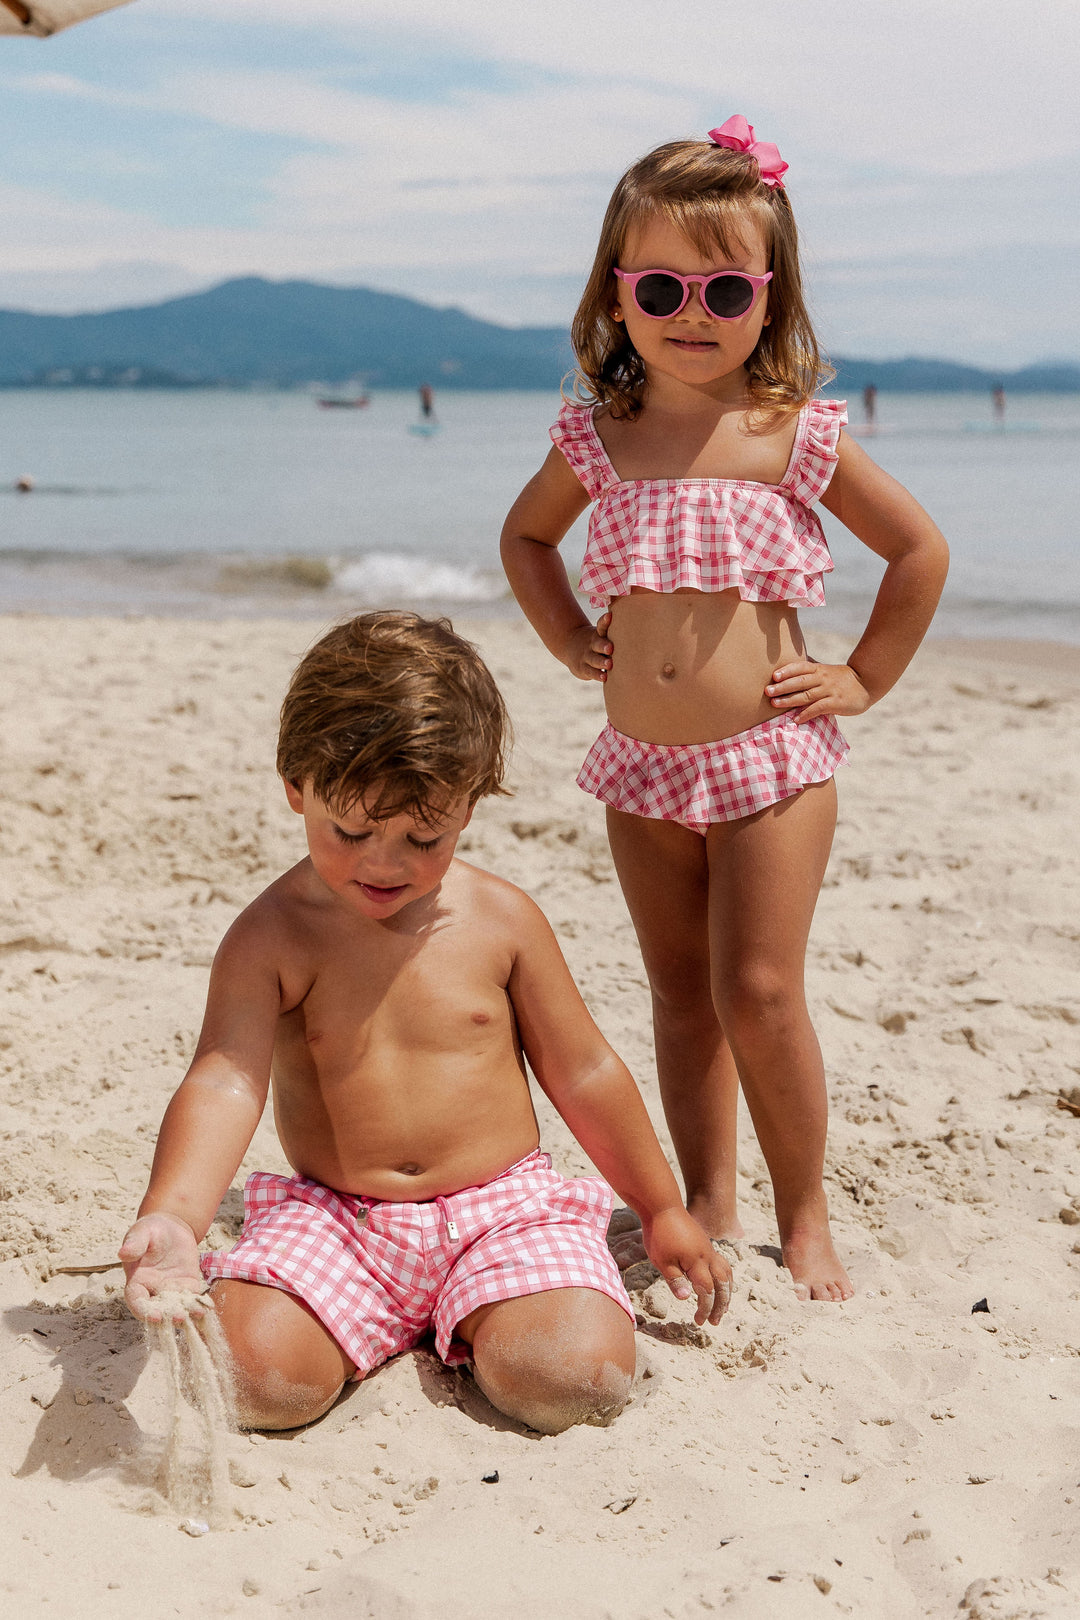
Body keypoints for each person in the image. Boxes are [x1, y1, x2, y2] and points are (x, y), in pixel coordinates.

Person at [501, 116, 949, 1302]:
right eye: (659, 285)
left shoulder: (790, 434)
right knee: (680, 994)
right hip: (642, 769)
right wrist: (563, 633)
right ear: (617, 292)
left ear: (770, 295)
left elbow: (918, 552)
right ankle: (705, 1199)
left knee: (757, 989)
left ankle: (803, 1216)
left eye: (723, 289)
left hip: (770, 762)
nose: (690, 311)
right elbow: (526, 537)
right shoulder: (601, 441)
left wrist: (860, 676)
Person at [120, 612, 730, 1435]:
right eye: (352, 830)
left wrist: (658, 1208)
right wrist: (174, 1215)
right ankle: (374, 1324)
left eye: (423, 836)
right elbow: (226, 1079)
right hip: (341, 1218)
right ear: (295, 785)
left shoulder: (502, 921)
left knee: (573, 1379)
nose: (385, 862)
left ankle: (485, 1316)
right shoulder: (270, 937)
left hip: (500, 1212)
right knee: (255, 1382)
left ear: (470, 806)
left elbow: (582, 1071)